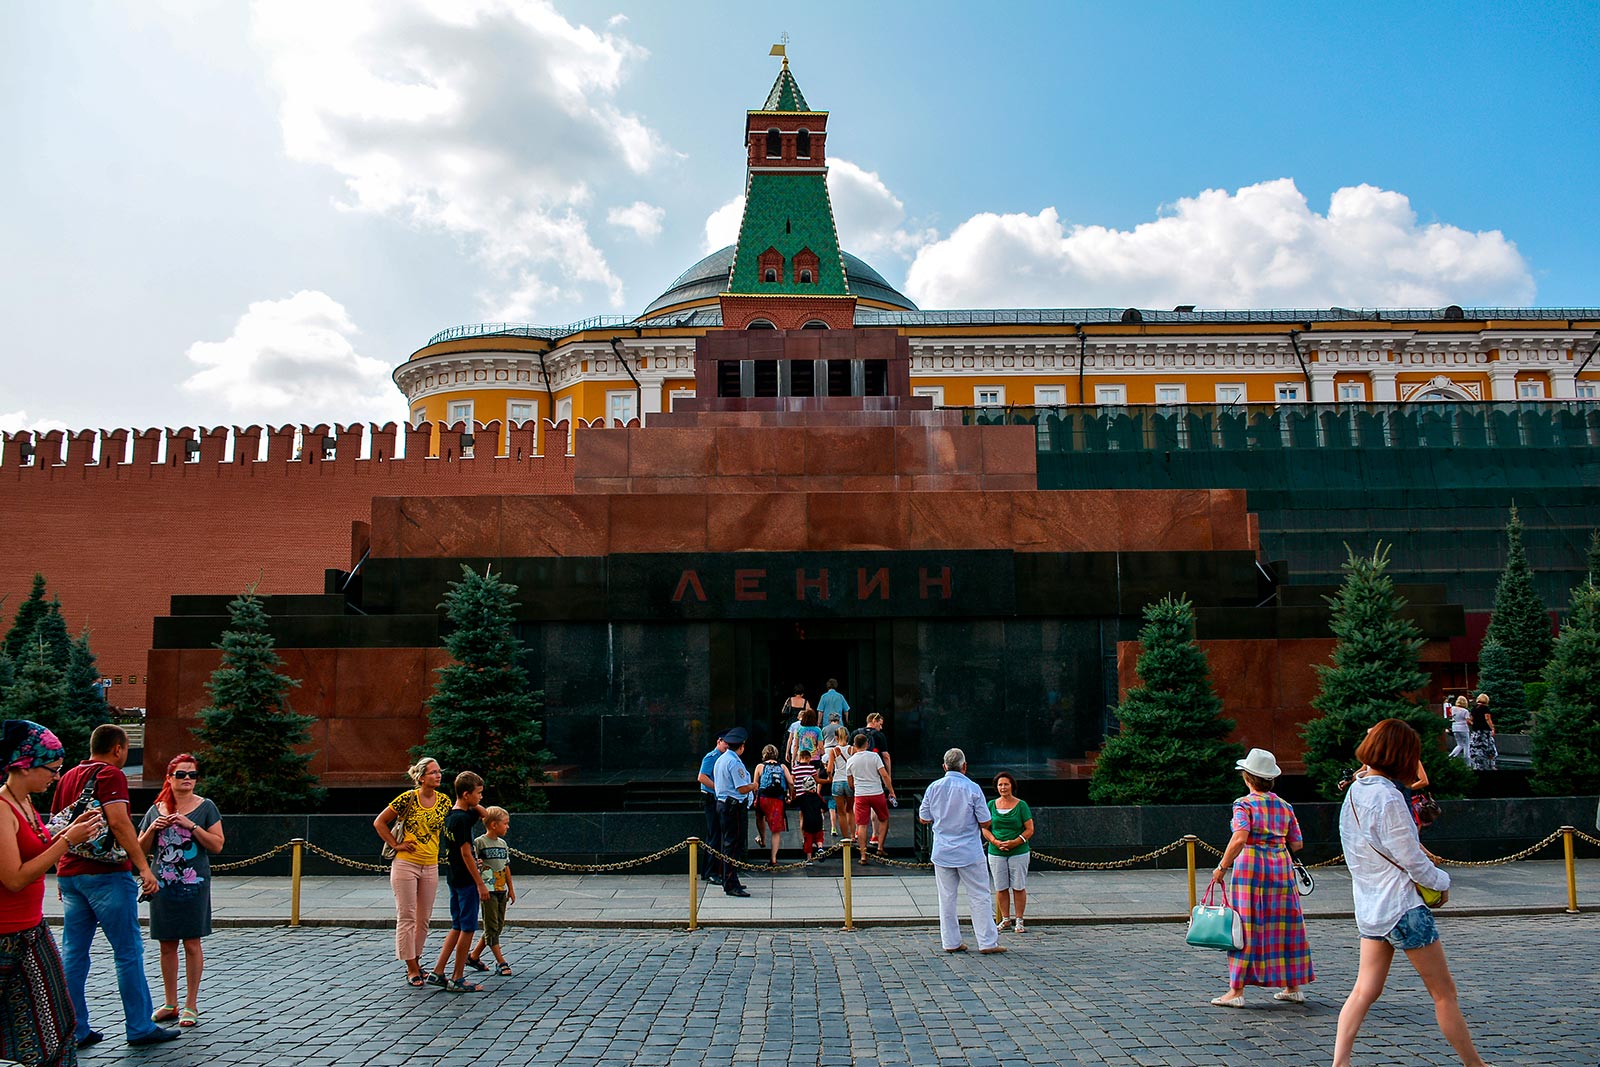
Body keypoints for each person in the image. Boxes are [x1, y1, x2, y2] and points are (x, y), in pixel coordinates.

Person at [1333, 719, 1491, 1067]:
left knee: (1363, 991)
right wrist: (1442, 883)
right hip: (1403, 907)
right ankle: (1475, 1065)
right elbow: (1413, 861)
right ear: (1403, 756)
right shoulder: (1388, 797)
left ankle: (1340, 1063)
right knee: (1444, 994)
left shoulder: (1356, 791)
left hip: (1371, 907)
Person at [51, 723, 177, 1048]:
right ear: (119, 748)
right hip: (107, 875)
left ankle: (75, 1029)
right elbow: (120, 823)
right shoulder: (111, 775)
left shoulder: (66, 778)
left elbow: (56, 827)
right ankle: (139, 1027)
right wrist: (144, 868)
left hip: (71, 875)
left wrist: (60, 870)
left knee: (73, 954)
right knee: (127, 952)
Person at [0, 719, 105, 1067]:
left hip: (30, 930)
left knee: (58, 1025)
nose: (57, 777)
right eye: (53, 769)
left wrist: (72, 829)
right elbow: (14, 878)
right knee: (47, 1028)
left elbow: (40, 847)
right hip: (5, 936)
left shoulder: (25, 801)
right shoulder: (2, 808)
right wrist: (66, 841)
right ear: (24, 763)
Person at [1207, 748, 1314, 1007]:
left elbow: (1240, 837)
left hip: (1251, 871)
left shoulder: (1244, 804)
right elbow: (1296, 843)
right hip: (1280, 867)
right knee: (1286, 925)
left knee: (1246, 926)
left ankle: (1236, 991)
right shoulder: (1285, 806)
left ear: (1247, 777)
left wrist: (1222, 866)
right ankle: (1293, 986)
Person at [136, 753, 224, 1029]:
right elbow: (139, 849)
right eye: (181, 775)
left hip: (194, 883)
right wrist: (152, 828)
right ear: (169, 778)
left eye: (192, 775)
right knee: (166, 943)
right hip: (162, 885)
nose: (187, 780)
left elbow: (217, 844)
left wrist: (192, 826)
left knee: (192, 943)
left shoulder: (206, 807)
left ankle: (191, 1004)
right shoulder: (156, 808)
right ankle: (170, 1003)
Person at [374, 756, 451, 987]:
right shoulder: (408, 798)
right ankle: (411, 967)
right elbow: (379, 822)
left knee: (423, 918)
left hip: (430, 863)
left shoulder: (444, 801)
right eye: (432, 772)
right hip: (406, 863)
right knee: (406, 916)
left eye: (439, 772)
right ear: (420, 777)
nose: (438, 776)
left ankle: (417, 960)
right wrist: (396, 845)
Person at [918, 748, 1003, 955]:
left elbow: (924, 817)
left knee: (946, 898)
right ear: (964, 767)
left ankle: (950, 941)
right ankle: (987, 942)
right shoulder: (972, 788)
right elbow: (985, 821)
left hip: (943, 850)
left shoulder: (934, 787)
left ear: (944, 766)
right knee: (979, 895)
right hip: (968, 850)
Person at [426, 772, 488, 992]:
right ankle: (457, 977)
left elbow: (483, 814)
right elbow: (466, 854)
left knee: (457, 925)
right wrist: (480, 882)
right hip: (466, 879)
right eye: (478, 793)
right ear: (466, 793)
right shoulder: (462, 820)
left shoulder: (453, 816)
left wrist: (475, 802)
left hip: (453, 877)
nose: (481, 797)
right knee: (468, 928)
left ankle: (438, 971)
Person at [466, 807, 514, 977]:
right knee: (492, 926)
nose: (507, 827)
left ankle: (473, 956)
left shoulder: (503, 844)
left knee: (497, 926)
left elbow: (506, 867)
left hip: (501, 889)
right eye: (505, 823)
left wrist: (511, 889)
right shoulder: (480, 843)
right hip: (488, 890)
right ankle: (501, 962)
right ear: (494, 825)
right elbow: (472, 861)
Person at [984, 771, 1034, 934]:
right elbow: (985, 828)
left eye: (1006, 784)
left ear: (1012, 785)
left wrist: (1015, 842)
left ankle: (1019, 920)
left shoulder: (1021, 805)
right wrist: (995, 842)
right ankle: (1005, 919)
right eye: (1000, 785)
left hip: (1018, 852)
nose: (1003, 787)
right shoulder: (991, 805)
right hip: (996, 852)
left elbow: (1029, 829)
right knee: (1001, 886)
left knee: (1018, 886)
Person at [712, 728, 755, 897]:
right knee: (733, 844)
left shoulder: (721, 759)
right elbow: (742, 787)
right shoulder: (734, 763)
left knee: (727, 843)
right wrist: (753, 785)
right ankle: (730, 883)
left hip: (722, 804)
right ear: (742, 746)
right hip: (733, 806)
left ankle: (729, 878)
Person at [846, 733, 895, 863]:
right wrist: (891, 791)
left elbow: (850, 783)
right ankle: (879, 847)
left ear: (855, 746)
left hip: (861, 794)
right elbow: (884, 775)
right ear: (867, 744)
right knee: (883, 819)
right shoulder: (874, 757)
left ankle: (863, 855)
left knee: (861, 825)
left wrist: (856, 787)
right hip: (876, 792)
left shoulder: (851, 761)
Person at [695, 732, 728, 885]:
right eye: (725, 743)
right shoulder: (711, 757)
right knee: (713, 835)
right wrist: (718, 787)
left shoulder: (725, 758)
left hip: (718, 798)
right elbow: (702, 777)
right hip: (711, 798)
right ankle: (710, 871)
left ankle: (711, 870)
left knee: (716, 835)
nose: (727, 746)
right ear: (719, 741)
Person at [754, 745, 794, 867]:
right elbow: (791, 782)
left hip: (763, 798)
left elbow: (755, 783)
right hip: (777, 799)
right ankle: (773, 858)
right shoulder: (782, 767)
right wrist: (790, 795)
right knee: (776, 830)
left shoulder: (760, 767)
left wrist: (756, 796)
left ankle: (762, 838)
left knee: (759, 818)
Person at [862, 713, 892, 848]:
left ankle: (857, 836)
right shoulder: (880, 736)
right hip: (876, 773)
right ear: (874, 721)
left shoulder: (857, 733)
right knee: (877, 807)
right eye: (880, 723)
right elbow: (886, 756)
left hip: (860, 774)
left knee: (859, 808)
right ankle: (875, 834)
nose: (882, 726)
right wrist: (888, 774)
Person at [825, 727, 853, 842]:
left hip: (837, 781)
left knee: (840, 812)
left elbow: (829, 769)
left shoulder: (833, 751)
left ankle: (846, 837)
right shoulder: (852, 749)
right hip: (849, 780)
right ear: (847, 736)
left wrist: (831, 778)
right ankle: (853, 835)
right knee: (850, 810)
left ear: (836, 738)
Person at [1468, 694, 1497, 771]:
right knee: (1490, 748)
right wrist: (1493, 728)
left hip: (1476, 732)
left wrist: (1475, 724)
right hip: (1485, 732)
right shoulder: (1485, 708)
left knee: (1477, 749)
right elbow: (1487, 719)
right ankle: (1491, 765)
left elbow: (1470, 720)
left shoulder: (1474, 708)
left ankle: (1478, 766)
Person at [1446, 696, 1471, 762]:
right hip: (1463, 728)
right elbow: (1468, 721)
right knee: (1466, 745)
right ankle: (1467, 760)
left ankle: (1451, 756)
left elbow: (1450, 716)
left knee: (1459, 744)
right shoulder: (1465, 711)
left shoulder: (1452, 708)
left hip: (1455, 727)